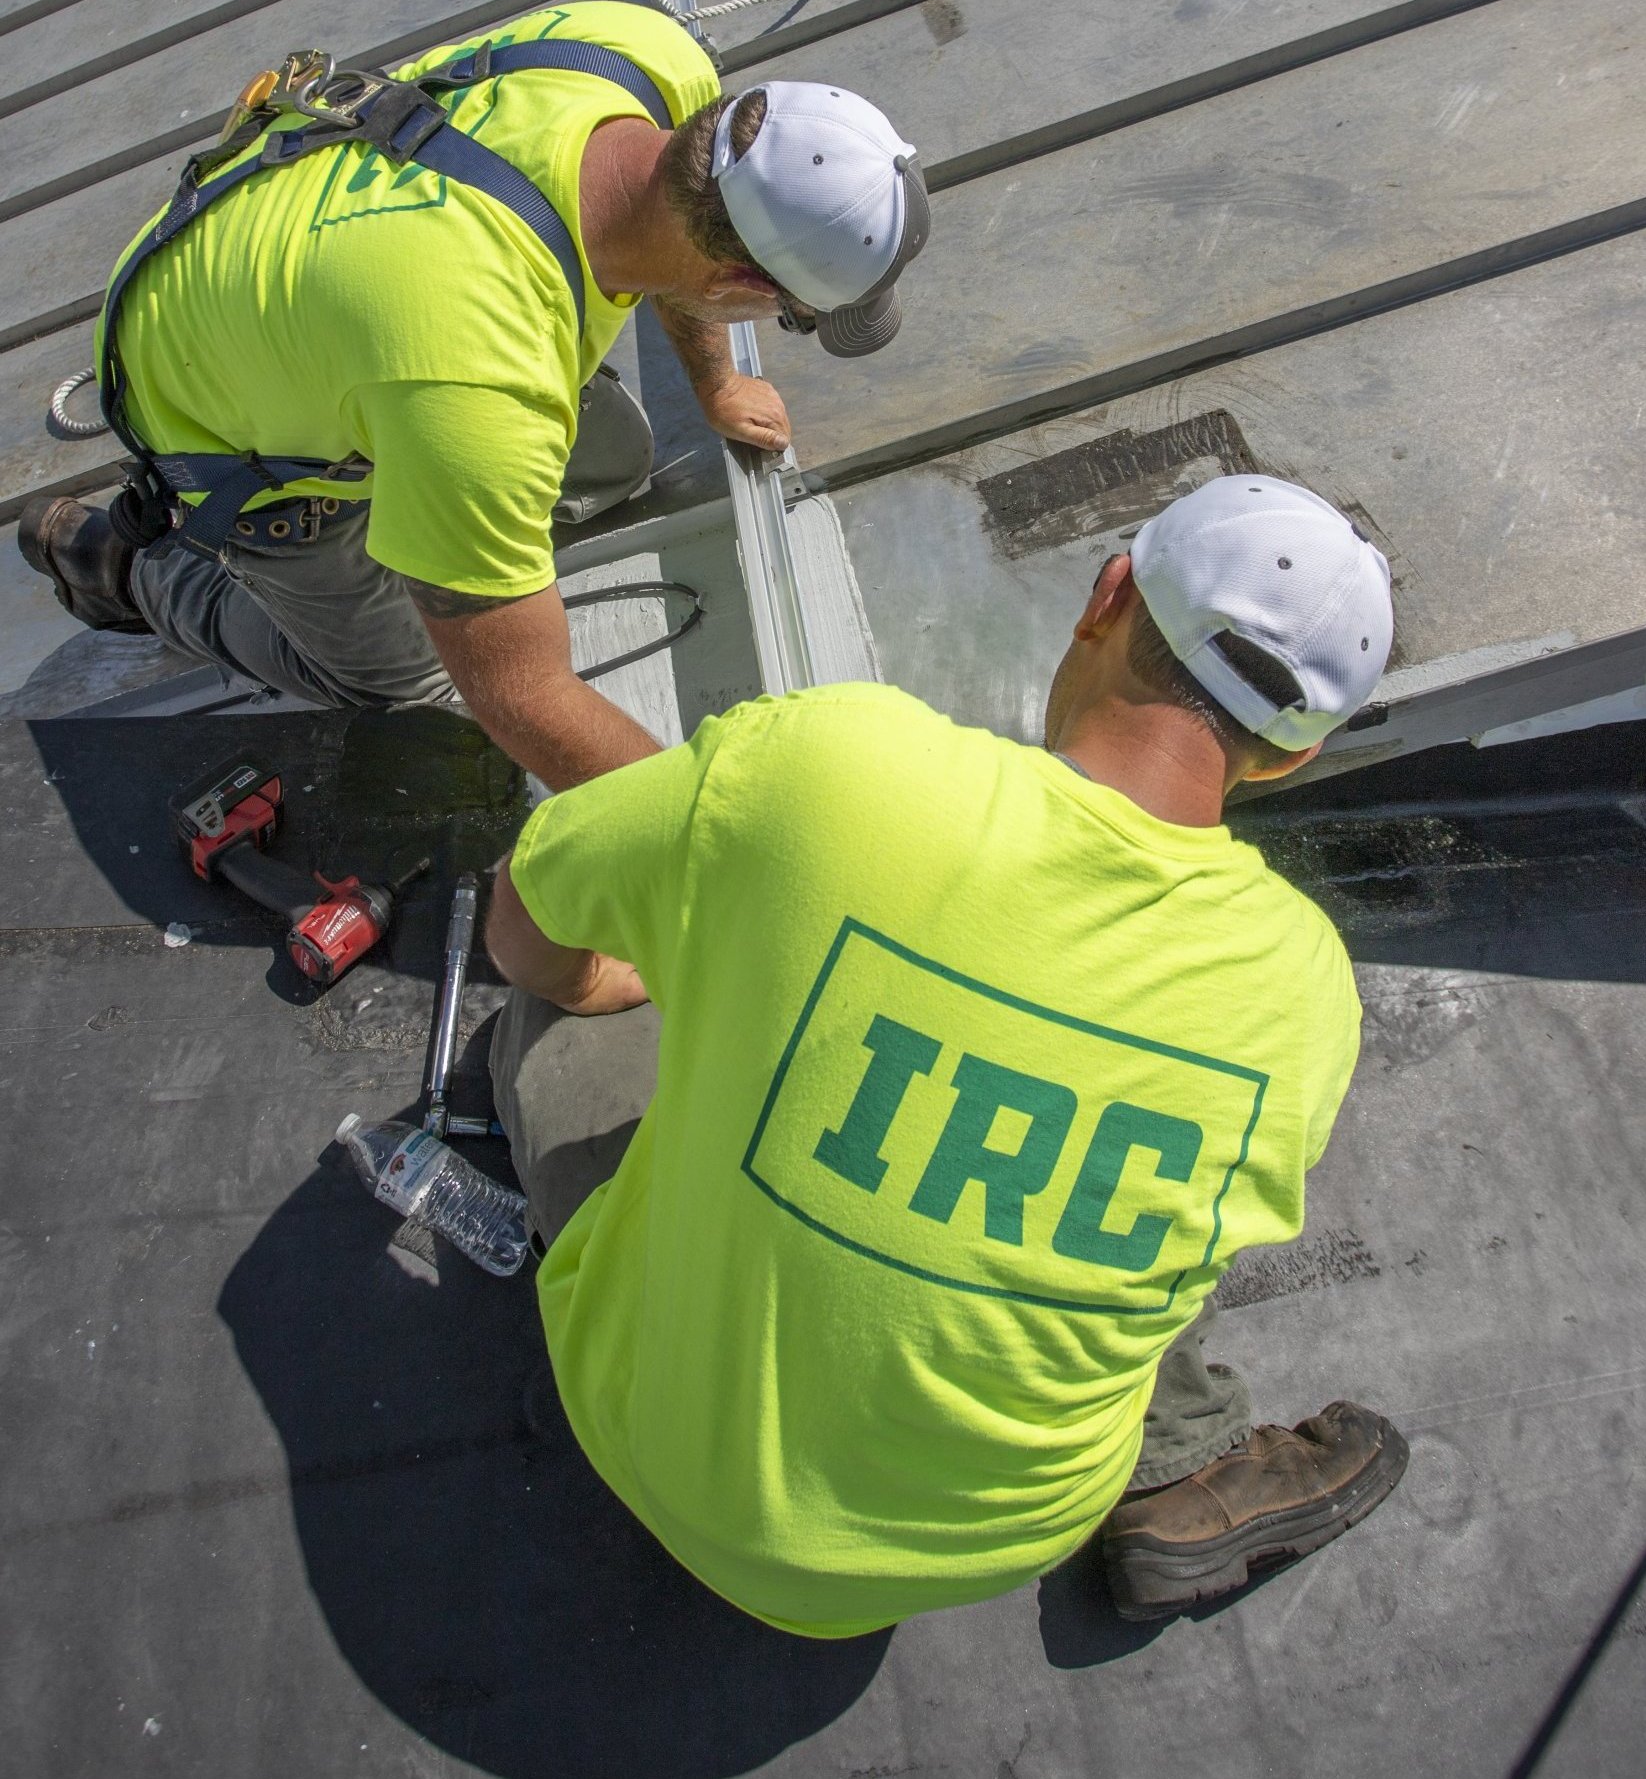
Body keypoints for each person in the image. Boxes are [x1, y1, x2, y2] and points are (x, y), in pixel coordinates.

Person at [484, 473, 1408, 1635]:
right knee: (1141, 1181)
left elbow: (523, 921)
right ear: (1294, 756)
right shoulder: (1303, 990)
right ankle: (1177, 1469)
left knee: (545, 1007)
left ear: (1104, 596)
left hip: (647, 1438)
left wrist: (641, 971)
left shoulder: (829, 759)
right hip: (980, 1543)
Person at [19, 2, 928, 791]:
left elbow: (688, 222)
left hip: (287, 264)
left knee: (616, 462)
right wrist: (708, 842)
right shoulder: (482, 390)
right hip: (211, 411)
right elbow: (524, 699)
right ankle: (124, 565)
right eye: (788, 316)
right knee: (401, 684)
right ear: (742, 286)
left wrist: (717, 383)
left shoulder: (647, 55)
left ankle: (398, 461)